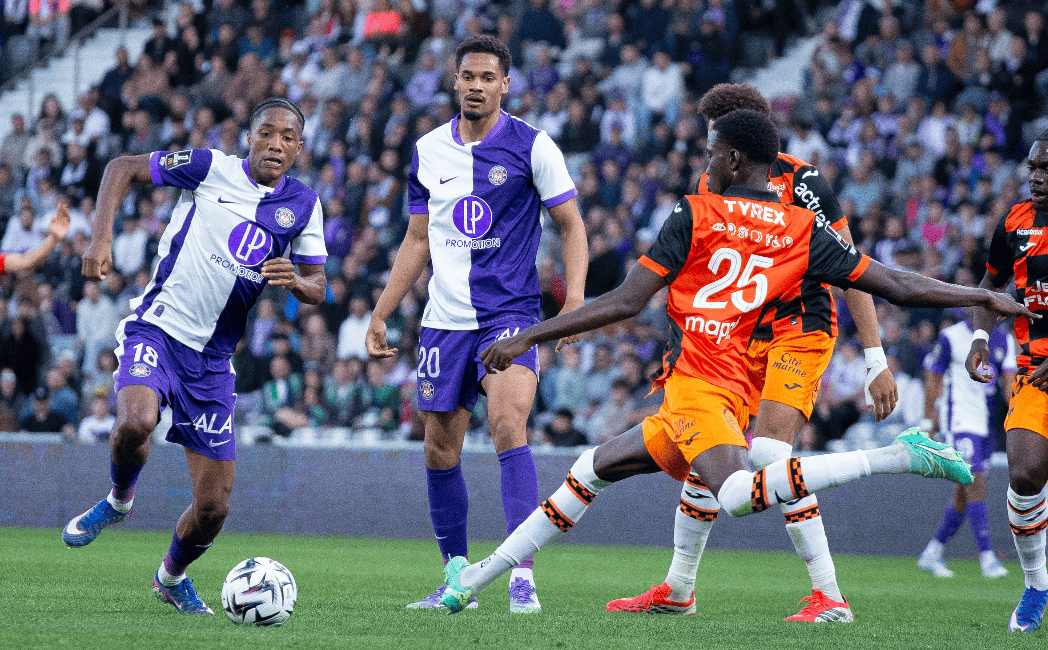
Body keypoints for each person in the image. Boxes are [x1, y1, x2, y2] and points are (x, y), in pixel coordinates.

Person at [436, 109, 1034, 615]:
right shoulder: (802, 228)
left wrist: (527, 337)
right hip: (727, 381)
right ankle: (483, 580)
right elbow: (894, 283)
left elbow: (624, 301)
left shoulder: (695, 213)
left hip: (701, 386)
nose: (705, 163)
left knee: (741, 495)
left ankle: (896, 456)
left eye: (711, 153)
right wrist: (979, 296)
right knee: (591, 467)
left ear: (733, 160)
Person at [608, 83, 897, 622]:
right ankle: (679, 588)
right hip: (739, 335)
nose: (709, 151)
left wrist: (875, 357)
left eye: (716, 139)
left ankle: (831, 596)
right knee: (710, 451)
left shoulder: (804, 183)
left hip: (800, 329)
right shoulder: (710, 184)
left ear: (742, 143)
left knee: (766, 456)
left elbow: (854, 268)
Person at [61, 98, 327, 616]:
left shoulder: (304, 205)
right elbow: (122, 167)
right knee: (136, 421)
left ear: (299, 147)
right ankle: (119, 500)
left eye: (287, 137)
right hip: (158, 329)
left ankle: (171, 577)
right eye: (266, 133)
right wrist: (100, 239)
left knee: (213, 508)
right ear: (249, 137)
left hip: (212, 364)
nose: (275, 144)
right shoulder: (209, 168)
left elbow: (319, 285)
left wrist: (297, 280)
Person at [365, 35, 588, 613]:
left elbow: (571, 224)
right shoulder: (428, 150)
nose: (476, 86)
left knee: (508, 425)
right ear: (454, 80)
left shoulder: (533, 146)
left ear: (505, 85)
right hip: (444, 323)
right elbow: (417, 239)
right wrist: (382, 312)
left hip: (509, 315)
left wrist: (575, 301)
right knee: (440, 449)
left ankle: (521, 575)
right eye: (468, 76)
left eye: (488, 77)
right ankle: (457, 577)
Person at [966, 131, 1048, 632]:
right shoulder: (1015, 223)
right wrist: (980, 336)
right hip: (1034, 369)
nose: (1037, 178)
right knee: (1023, 475)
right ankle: (1037, 585)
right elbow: (991, 285)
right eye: (1033, 168)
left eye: (1046, 169)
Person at [917, 319, 1013, 579]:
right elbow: (933, 377)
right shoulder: (952, 336)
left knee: (964, 492)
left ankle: (932, 552)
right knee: (975, 482)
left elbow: (1009, 387)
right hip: (958, 419)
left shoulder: (1004, 339)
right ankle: (987, 557)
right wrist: (928, 421)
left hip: (986, 424)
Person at [0, 202, 69, 275]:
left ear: (33, 218)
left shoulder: (38, 234)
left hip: (34, 269)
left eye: (28, 216)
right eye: (24, 216)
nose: (26, 219)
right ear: (20, 218)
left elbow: (42, 257)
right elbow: (4, 253)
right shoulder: (13, 234)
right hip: (15, 268)